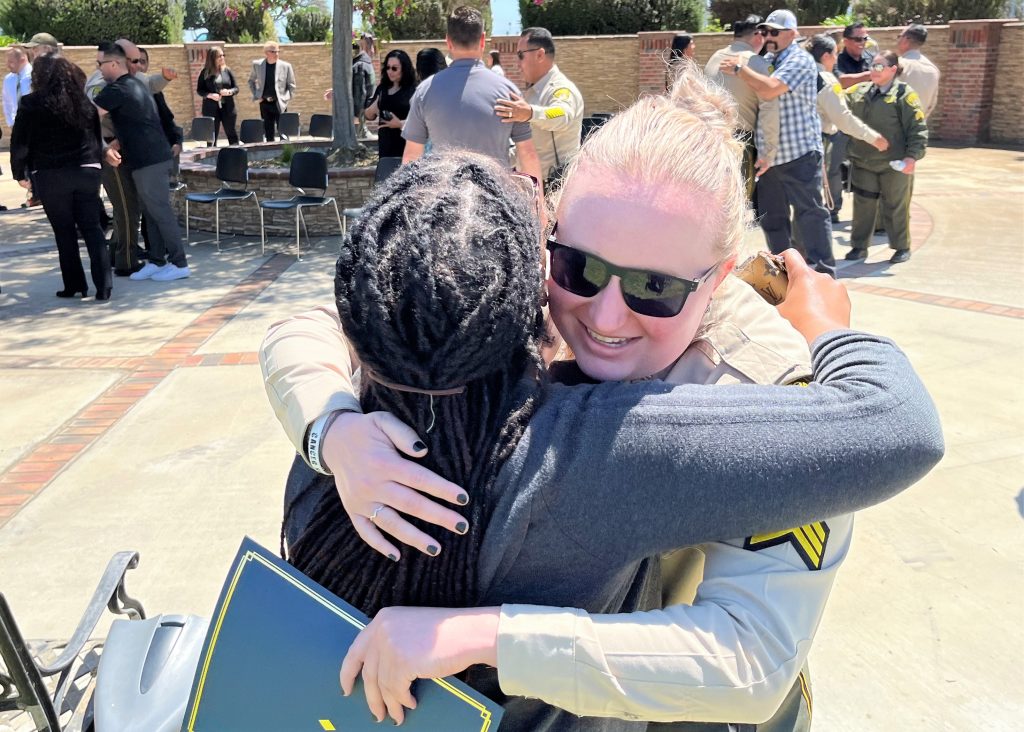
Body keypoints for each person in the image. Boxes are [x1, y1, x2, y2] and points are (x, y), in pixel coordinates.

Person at [261, 71, 943, 729]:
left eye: (656, 289)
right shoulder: (534, 282)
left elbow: (749, 658)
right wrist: (334, 430)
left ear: (720, 277)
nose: (606, 318)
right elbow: (328, 320)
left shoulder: (774, 387)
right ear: (550, 235)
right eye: (580, 270)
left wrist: (489, 637)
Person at [720, 9, 836, 278]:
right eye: (765, 32)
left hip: (799, 154)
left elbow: (770, 88)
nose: (768, 36)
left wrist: (739, 70)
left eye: (774, 31)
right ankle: (784, 274)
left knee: (810, 215)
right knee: (773, 219)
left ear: (792, 34)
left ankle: (824, 273)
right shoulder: (769, 59)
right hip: (769, 158)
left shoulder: (799, 60)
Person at [401, 5, 542, 187]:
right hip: (496, 201)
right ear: (483, 40)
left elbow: (411, 157)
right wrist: (540, 211)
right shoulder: (509, 92)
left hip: (443, 201)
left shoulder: (425, 92)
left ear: (448, 42)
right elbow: (528, 155)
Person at [10, 55, 111, 300]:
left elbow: (20, 143)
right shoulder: (85, 104)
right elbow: (96, 139)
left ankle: (75, 285)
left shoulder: (31, 103)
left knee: (64, 230)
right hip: (87, 170)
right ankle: (104, 285)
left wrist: (19, 172)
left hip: (51, 174)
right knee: (92, 227)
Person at [93, 42, 189, 282]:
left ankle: (179, 263)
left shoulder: (116, 89)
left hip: (150, 160)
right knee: (151, 211)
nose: (98, 69)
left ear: (114, 63)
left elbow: (88, 115)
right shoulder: (135, 83)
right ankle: (157, 261)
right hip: (148, 158)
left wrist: (104, 147)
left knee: (160, 211)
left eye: (101, 64)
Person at [844, 51, 928, 265]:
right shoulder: (859, 92)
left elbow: (917, 128)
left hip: (894, 164)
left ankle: (901, 247)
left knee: (895, 205)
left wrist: (912, 157)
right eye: (873, 65)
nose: (874, 70)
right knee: (863, 206)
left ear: (893, 69)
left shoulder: (904, 94)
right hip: (864, 162)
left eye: (880, 66)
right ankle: (859, 246)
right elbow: (837, 102)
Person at [495, 27, 583, 188]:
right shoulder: (533, 92)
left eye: (520, 55)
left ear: (540, 55)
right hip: (534, 187)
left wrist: (530, 113)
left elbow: (562, 114)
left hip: (555, 189)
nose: (517, 63)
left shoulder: (560, 89)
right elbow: (531, 145)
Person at [703, 15, 779, 198]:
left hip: (707, 138)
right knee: (737, 204)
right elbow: (770, 111)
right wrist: (770, 151)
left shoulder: (715, 57)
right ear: (758, 35)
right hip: (739, 141)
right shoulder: (759, 64)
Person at [362, 50, 415, 159]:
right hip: (385, 148)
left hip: (406, 147)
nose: (390, 71)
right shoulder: (382, 89)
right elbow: (368, 116)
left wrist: (400, 124)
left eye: (394, 68)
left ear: (404, 69)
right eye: (388, 67)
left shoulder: (414, 90)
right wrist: (375, 106)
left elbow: (422, 120)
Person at [248, 41, 295, 142]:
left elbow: (291, 85)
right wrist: (257, 95)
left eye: (278, 51)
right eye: (273, 51)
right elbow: (251, 81)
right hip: (264, 103)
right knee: (268, 132)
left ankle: (285, 154)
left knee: (283, 132)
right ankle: (270, 156)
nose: (276, 53)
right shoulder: (257, 65)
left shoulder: (286, 66)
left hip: (279, 103)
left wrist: (285, 98)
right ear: (266, 52)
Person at [196, 46, 239, 146]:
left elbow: (236, 88)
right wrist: (210, 95)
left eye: (223, 55)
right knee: (211, 137)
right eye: (220, 56)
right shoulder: (205, 72)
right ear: (213, 58)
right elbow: (200, 90)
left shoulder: (227, 71)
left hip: (228, 107)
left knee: (231, 133)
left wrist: (229, 92)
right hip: (211, 108)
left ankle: (236, 155)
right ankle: (211, 159)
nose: (223, 57)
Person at [896, 24, 940, 119]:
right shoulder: (933, 69)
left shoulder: (897, 65)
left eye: (899, 36)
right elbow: (931, 104)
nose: (898, 41)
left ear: (905, 40)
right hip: (917, 126)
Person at [351, 40, 375, 140]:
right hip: (363, 113)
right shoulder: (366, 63)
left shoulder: (358, 66)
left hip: (358, 117)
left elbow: (360, 93)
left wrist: (357, 114)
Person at [3, 47, 32, 127]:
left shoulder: (34, 77)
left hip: (33, 126)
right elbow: (7, 103)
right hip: (16, 125)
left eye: (11, 62)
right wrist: (11, 123)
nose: (8, 65)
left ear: (22, 60)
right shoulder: (8, 79)